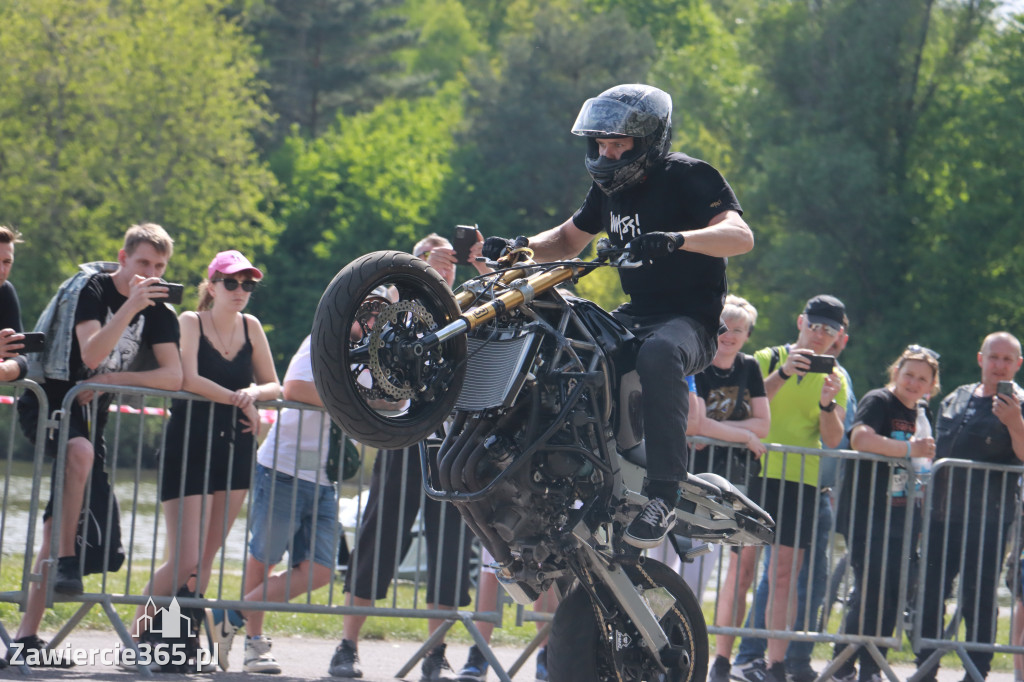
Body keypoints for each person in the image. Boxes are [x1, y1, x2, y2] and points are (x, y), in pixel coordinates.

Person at [482, 83, 754, 550]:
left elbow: (740, 235)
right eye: (601, 145)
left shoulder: (689, 175)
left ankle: (664, 494)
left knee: (659, 353)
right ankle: (570, 470)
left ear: (649, 141)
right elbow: (567, 241)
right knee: (567, 339)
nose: (607, 154)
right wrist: (519, 247)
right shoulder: (608, 188)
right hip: (635, 315)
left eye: (618, 144)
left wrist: (676, 239)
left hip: (690, 322)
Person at [7, 223, 183, 666]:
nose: (151, 274)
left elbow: (173, 376)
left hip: (90, 408)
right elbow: (89, 352)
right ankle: (67, 562)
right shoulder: (94, 290)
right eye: (143, 263)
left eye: (159, 267)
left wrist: (111, 380)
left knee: (55, 519)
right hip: (50, 397)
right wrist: (128, 310)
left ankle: (27, 638)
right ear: (123, 259)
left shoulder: (158, 307)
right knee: (79, 457)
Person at [329, 233, 490, 681]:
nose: (444, 267)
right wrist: (418, 272)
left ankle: (434, 654)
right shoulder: (397, 309)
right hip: (406, 440)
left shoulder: (468, 305)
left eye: (449, 261)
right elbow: (370, 334)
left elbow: (505, 300)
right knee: (379, 538)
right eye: (431, 260)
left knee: (452, 552)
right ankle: (347, 645)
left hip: (455, 446)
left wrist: (479, 264)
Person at [129, 250, 280, 666]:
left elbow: (274, 384)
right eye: (231, 282)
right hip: (189, 444)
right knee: (185, 557)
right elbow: (190, 378)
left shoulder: (252, 326)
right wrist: (239, 399)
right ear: (211, 285)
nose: (240, 291)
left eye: (247, 284)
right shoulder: (190, 321)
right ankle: (135, 637)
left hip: (234, 447)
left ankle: (181, 639)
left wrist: (252, 395)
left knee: (207, 556)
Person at [730, 294, 850, 682]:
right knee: (742, 569)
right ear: (800, 322)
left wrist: (829, 405)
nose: (819, 335)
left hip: (802, 480)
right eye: (814, 326)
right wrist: (781, 374)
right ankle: (724, 658)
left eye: (828, 330)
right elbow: (742, 410)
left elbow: (833, 439)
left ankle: (775, 664)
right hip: (756, 475)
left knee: (785, 575)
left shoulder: (837, 377)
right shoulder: (765, 358)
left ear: (838, 337)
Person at [205, 333, 339, 674]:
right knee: (263, 557)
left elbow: (395, 403)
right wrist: (353, 400)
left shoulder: (381, 352)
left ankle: (226, 615)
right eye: (367, 309)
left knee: (321, 571)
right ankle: (254, 645)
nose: (372, 317)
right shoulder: (322, 338)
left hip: (325, 475)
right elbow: (294, 389)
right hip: (283, 467)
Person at [913, 331, 1024, 681]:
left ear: (1018, 365)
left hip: (988, 519)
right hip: (941, 515)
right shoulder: (957, 396)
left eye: (1008, 360)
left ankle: (976, 671)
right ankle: (926, 667)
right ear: (981, 359)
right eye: (994, 357)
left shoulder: (1020, 403)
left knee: (978, 598)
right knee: (929, 593)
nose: (999, 365)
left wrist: (1014, 423)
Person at [829, 345, 939, 682]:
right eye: (909, 374)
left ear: (932, 386)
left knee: (894, 592)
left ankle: (873, 667)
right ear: (896, 373)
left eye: (922, 379)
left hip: (903, 518)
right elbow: (860, 438)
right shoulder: (879, 400)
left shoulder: (922, 414)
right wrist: (908, 449)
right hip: (868, 514)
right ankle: (843, 665)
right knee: (871, 591)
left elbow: (923, 464)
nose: (914, 382)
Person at [695, 295, 770, 682]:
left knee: (739, 573)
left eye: (739, 329)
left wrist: (726, 435)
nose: (730, 335)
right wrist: (742, 436)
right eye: (725, 327)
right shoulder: (698, 362)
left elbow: (764, 426)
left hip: (739, 479)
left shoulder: (750, 367)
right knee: (692, 568)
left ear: (747, 335)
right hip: (696, 475)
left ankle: (722, 658)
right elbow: (696, 425)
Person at [0, 225, 25, 360]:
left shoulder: (5, 291)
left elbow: (20, 357)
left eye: (7, 262)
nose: (2, 270)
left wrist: (4, 371)